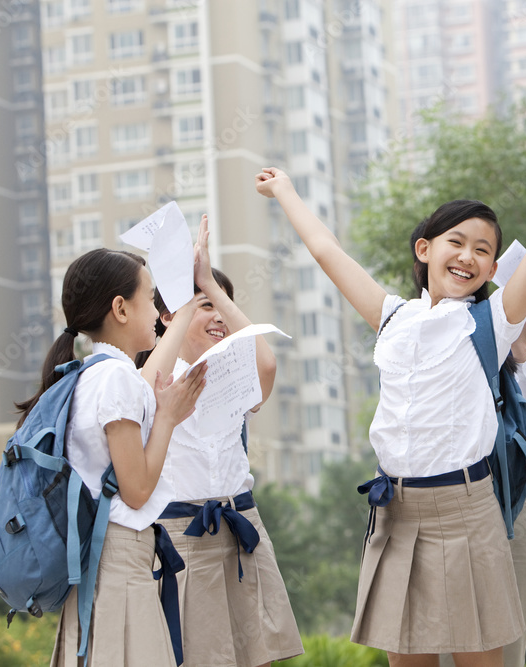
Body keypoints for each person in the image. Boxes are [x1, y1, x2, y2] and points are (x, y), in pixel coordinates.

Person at [256, 102, 526, 667]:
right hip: (397, 509)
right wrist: (285, 191)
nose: (469, 255)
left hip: (465, 507)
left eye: (484, 249)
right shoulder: (393, 317)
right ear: (425, 251)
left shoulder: (492, 322)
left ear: (495, 268)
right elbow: (327, 251)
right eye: (457, 241)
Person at [15, 248, 208, 667]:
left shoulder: (93, 373)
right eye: (151, 298)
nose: (158, 312)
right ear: (120, 308)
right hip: (117, 562)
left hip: (97, 562)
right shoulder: (116, 378)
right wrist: (169, 419)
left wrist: (191, 302)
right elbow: (136, 490)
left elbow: (149, 379)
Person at [139, 215, 303, 667]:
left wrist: (208, 281)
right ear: (169, 316)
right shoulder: (149, 378)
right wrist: (185, 298)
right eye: (204, 305)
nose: (217, 314)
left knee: (257, 657)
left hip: (239, 524)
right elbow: (144, 390)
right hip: (180, 535)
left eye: (222, 304)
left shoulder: (232, 374)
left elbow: (265, 363)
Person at [438, 318, 526, 667]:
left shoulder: (499, 331)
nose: (467, 260)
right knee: (438, 652)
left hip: (505, 513)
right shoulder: (413, 327)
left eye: (484, 257)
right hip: (433, 518)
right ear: (423, 258)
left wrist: (520, 345)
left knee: (504, 655)